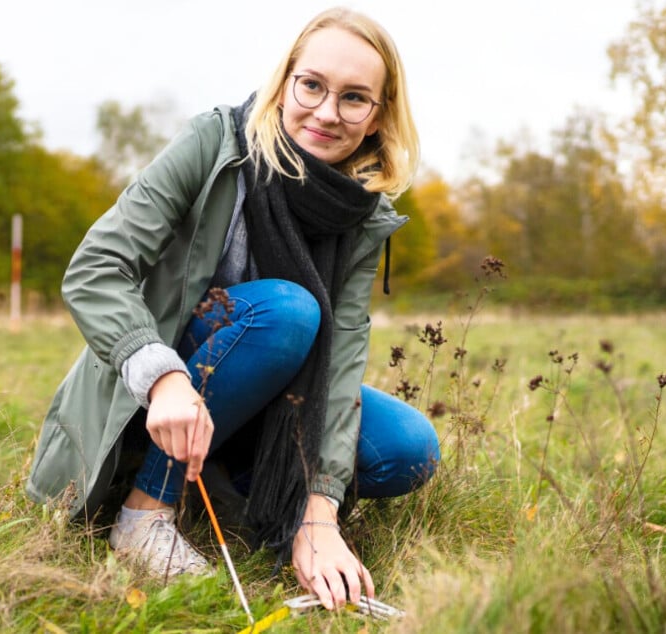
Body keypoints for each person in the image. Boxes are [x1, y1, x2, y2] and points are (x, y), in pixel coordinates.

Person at [26, 6, 440, 611]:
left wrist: (319, 511)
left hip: (260, 402)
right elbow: (96, 268)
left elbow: (344, 359)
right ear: (286, 80)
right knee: (289, 312)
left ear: (378, 116)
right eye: (313, 85)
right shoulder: (215, 143)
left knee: (408, 447)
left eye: (355, 98)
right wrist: (162, 375)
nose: (326, 112)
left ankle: (225, 497)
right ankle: (145, 511)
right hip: (157, 390)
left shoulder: (362, 213)